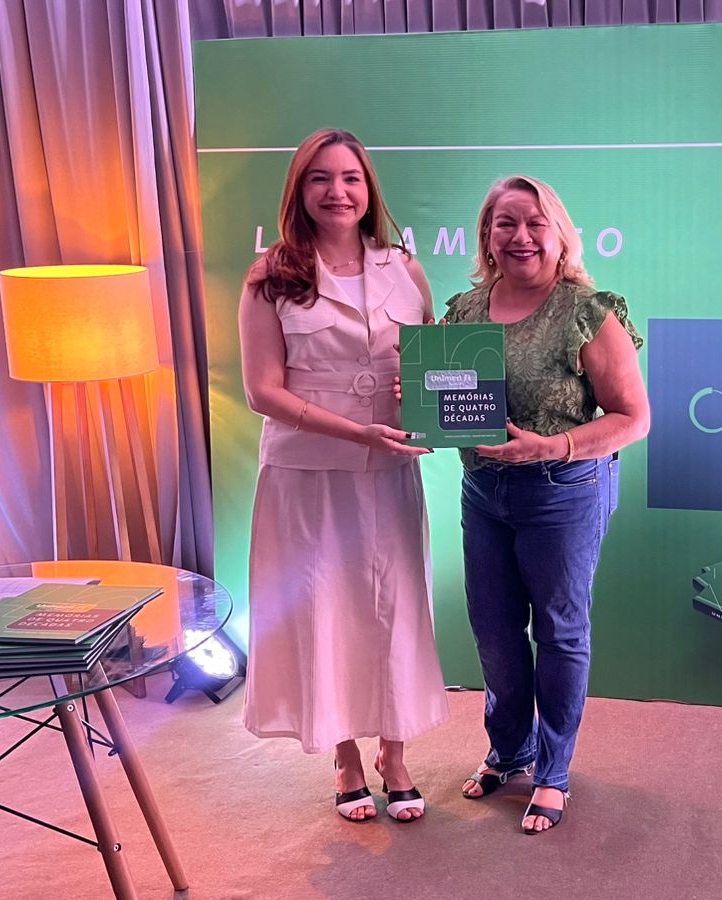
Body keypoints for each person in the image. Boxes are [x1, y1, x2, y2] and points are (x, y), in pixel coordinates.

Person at [238, 128, 448, 823]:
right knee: (324, 610)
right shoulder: (270, 276)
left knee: (392, 610)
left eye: (351, 178)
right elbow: (263, 391)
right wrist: (354, 430)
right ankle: (345, 756)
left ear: (369, 188)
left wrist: (432, 407)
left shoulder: (404, 267)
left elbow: (432, 365)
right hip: (306, 475)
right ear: (299, 190)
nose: (338, 192)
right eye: (321, 178)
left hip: (389, 471)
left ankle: (395, 752)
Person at [445, 175, 650, 834]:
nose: (521, 236)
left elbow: (633, 418)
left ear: (560, 234)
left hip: (563, 493)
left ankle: (553, 772)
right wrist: (414, 397)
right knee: (496, 633)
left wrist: (554, 447)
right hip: (484, 492)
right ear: (487, 236)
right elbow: (448, 401)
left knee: (559, 634)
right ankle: (510, 751)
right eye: (505, 223)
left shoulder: (588, 312)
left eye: (535, 223)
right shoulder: (464, 311)